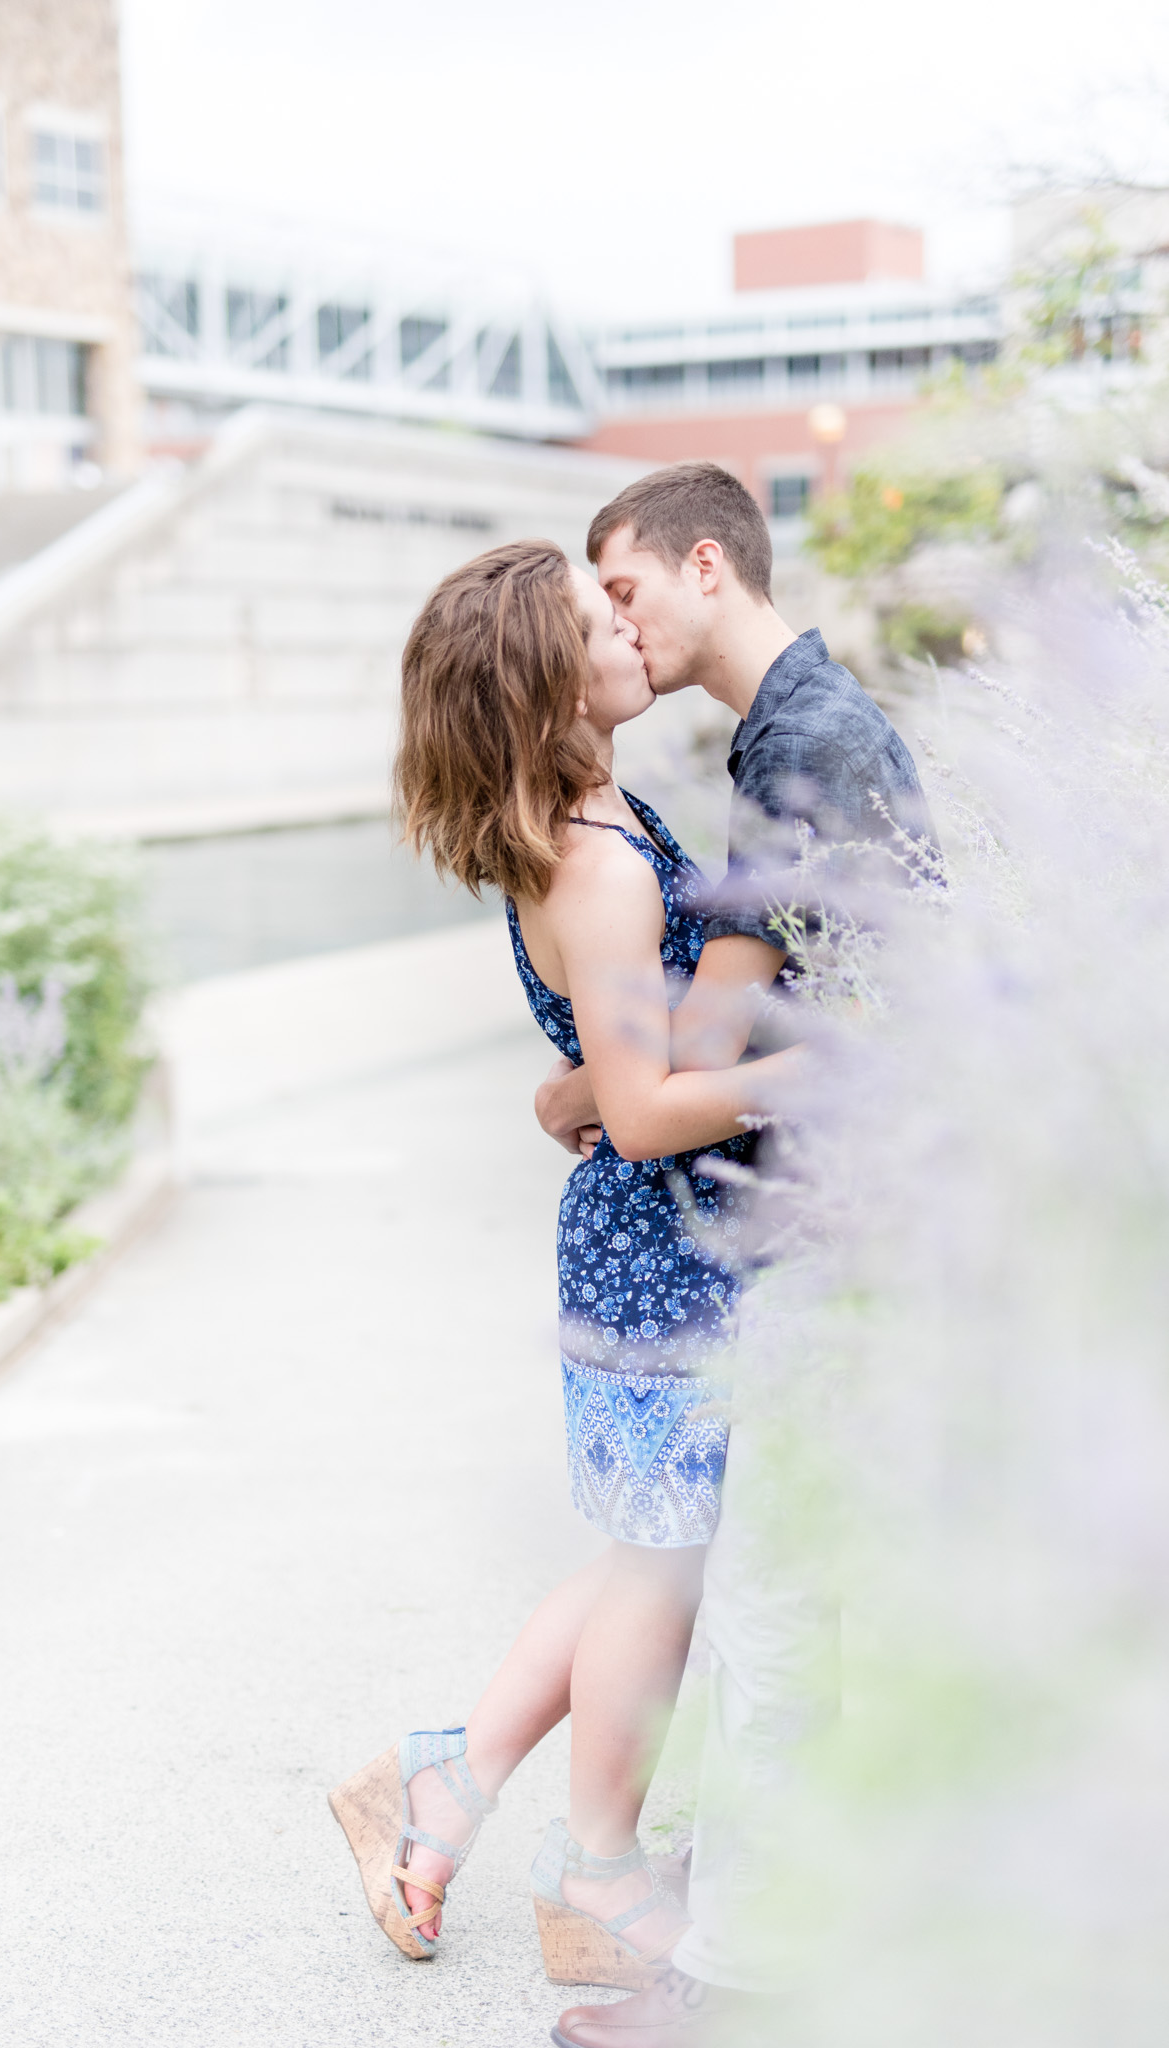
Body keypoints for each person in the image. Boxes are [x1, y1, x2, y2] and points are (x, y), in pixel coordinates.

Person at [328, 539, 804, 1994]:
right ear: (553, 674)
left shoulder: (599, 814)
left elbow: (604, 1078)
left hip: (648, 1242)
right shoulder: (595, 864)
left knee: (650, 1555)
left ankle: (440, 1786)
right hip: (659, 1255)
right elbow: (652, 1107)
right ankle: (592, 1869)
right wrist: (822, 1070)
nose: (632, 624)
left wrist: (578, 1093)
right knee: (663, 1566)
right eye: (604, 617)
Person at [538, 463, 935, 2048]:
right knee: (789, 1595)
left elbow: (715, 1044)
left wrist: (584, 1086)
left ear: (709, 565)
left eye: (624, 591)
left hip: (843, 1221)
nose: (617, 627)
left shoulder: (806, 749)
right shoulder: (795, 732)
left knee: (770, 1603)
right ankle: (782, 1903)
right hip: (846, 1216)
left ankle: (743, 1987)